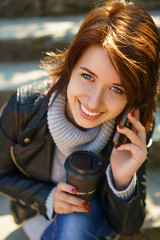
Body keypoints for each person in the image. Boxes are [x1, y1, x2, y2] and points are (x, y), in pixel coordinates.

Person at [0, 0, 159, 239]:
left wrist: (122, 180)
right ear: (71, 65)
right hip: (39, 214)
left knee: (75, 219)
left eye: (117, 89)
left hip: (97, 218)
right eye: (87, 76)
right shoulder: (25, 108)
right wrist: (46, 196)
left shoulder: (133, 129)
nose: (93, 103)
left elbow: (128, 227)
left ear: (135, 96)